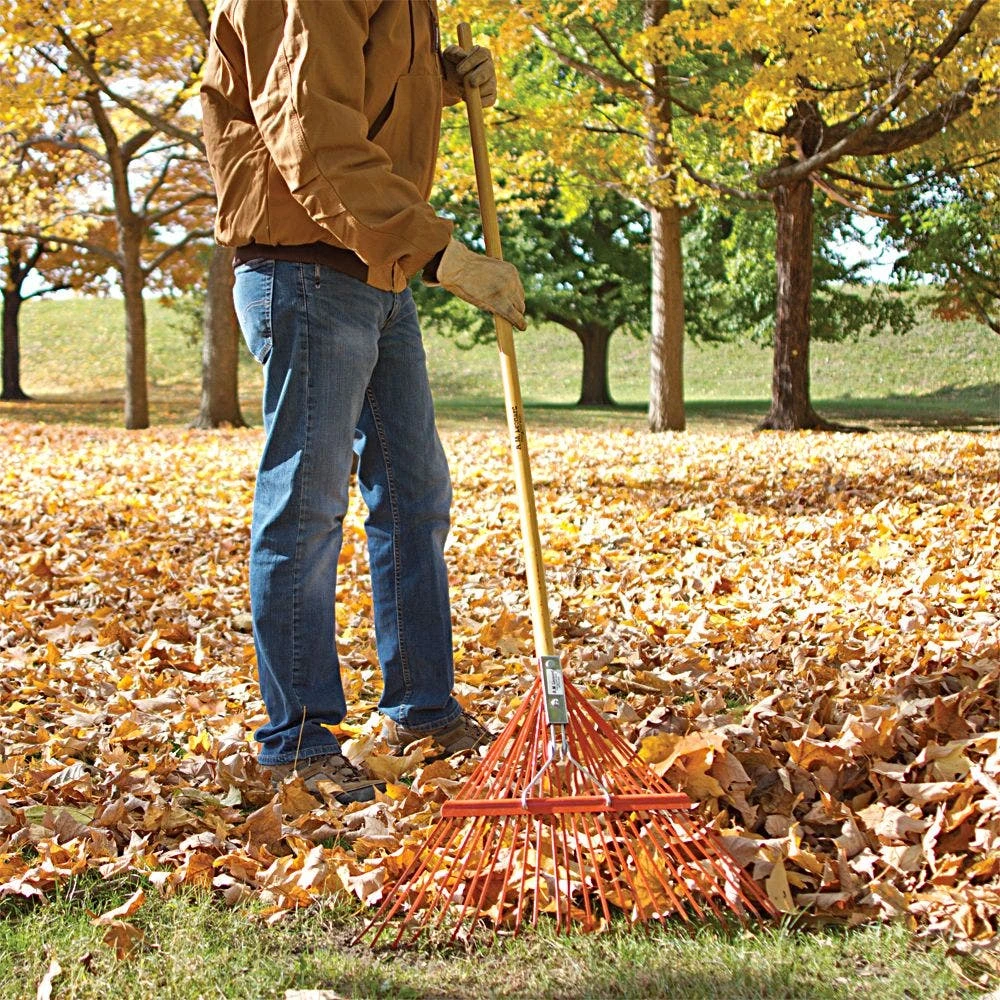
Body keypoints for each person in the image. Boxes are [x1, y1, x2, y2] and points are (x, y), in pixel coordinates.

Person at [200, 0, 525, 804]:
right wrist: (443, 252)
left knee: (415, 496)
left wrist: (442, 83)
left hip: (372, 265)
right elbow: (308, 130)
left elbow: (358, 86)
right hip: (305, 261)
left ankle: (421, 709)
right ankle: (299, 740)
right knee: (307, 507)